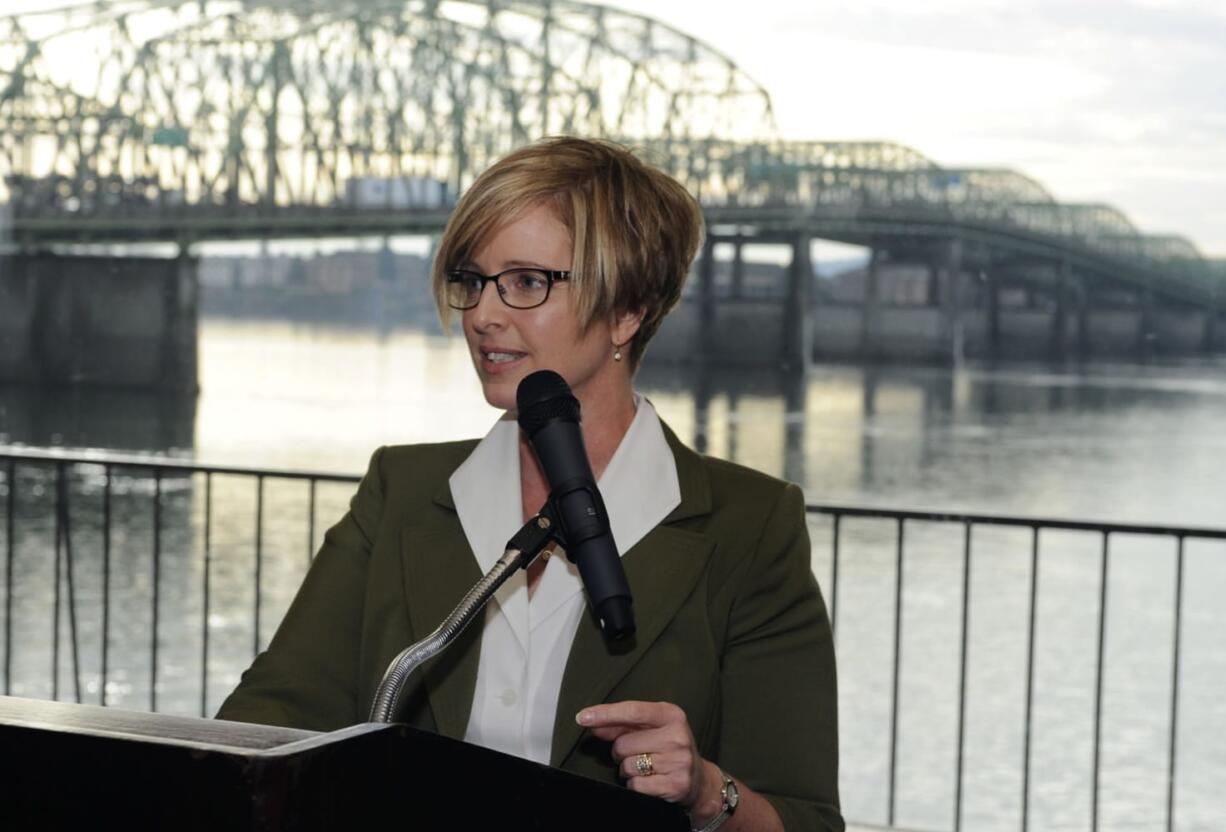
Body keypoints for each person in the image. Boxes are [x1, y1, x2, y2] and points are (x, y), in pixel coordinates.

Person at [217, 137, 843, 831]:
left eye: (526, 281)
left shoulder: (749, 526)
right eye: (472, 278)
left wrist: (706, 793)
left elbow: (805, 821)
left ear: (626, 311)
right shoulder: (402, 489)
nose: (481, 314)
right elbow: (266, 722)